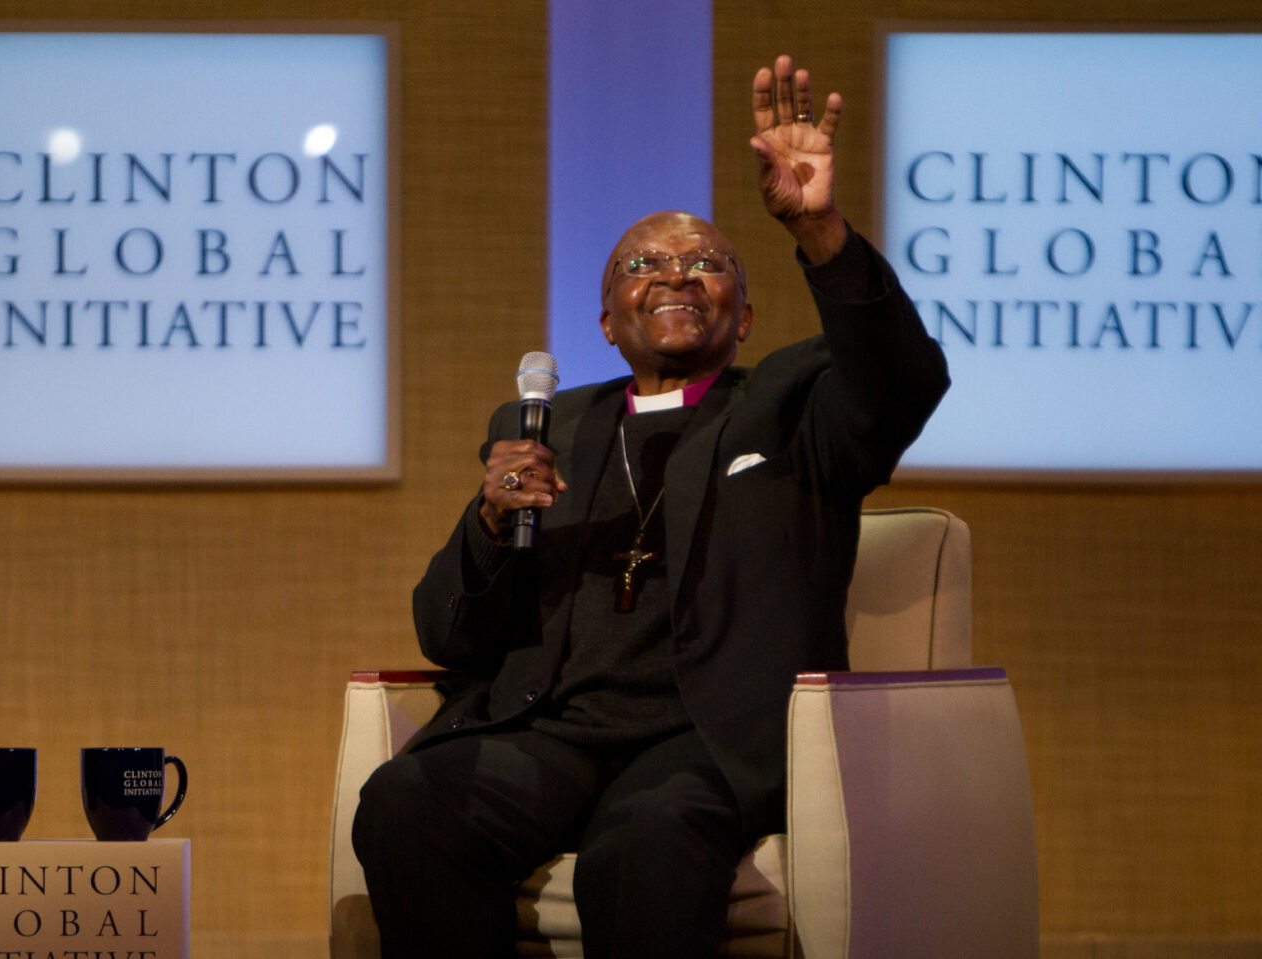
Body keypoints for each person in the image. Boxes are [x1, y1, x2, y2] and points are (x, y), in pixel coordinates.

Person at [351, 54, 949, 958]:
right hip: (553, 731)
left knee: (641, 847)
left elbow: (904, 380)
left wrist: (819, 228)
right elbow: (447, 635)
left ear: (743, 315)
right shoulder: (549, 428)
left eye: (705, 263)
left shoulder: (795, 402)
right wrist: (486, 522)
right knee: (406, 805)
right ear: (606, 320)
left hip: (707, 738)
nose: (675, 275)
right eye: (643, 264)